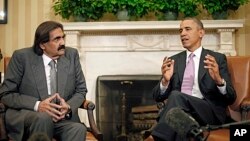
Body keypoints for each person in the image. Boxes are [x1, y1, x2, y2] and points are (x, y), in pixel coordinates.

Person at [149, 17, 236, 141]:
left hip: (207, 111)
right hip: (181, 114)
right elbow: (156, 96)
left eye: (187, 29)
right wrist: (165, 81)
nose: (182, 33)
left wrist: (218, 80)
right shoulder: (174, 60)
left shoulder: (216, 58)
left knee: (175, 96)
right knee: (181, 123)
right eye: (180, 31)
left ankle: (158, 137)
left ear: (201, 33)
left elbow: (231, 97)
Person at [0, 21, 88, 141]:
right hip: (30, 115)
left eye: (63, 37)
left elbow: (81, 89)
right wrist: (38, 105)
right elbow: (6, 94)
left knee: (78, 129)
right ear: (42, 45)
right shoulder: (22, 57)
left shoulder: (71, 55)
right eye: (57, 39)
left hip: (61, 119)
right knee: (43, 118)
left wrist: (68, 107)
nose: (62, 42)